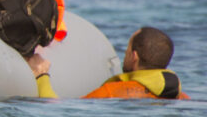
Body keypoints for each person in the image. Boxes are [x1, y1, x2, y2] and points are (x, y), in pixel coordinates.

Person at [28, 27, 190, 100]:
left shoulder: (111, 92)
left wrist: (41, 75)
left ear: (134, 57)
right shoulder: (180, 97)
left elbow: (60, 112)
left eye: (126, 51)